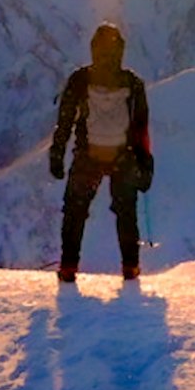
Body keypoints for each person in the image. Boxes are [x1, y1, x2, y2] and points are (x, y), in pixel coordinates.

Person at [46, 22, 156, 285]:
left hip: (88, 156)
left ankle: (69, 268)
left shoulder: (80, 79)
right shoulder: (133, 83)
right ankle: (131, 268)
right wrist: (146, 165)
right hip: (123, 156)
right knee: (125, 212)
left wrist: (57, 152)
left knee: (75, 211)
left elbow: (65, 121)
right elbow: (141, 130)